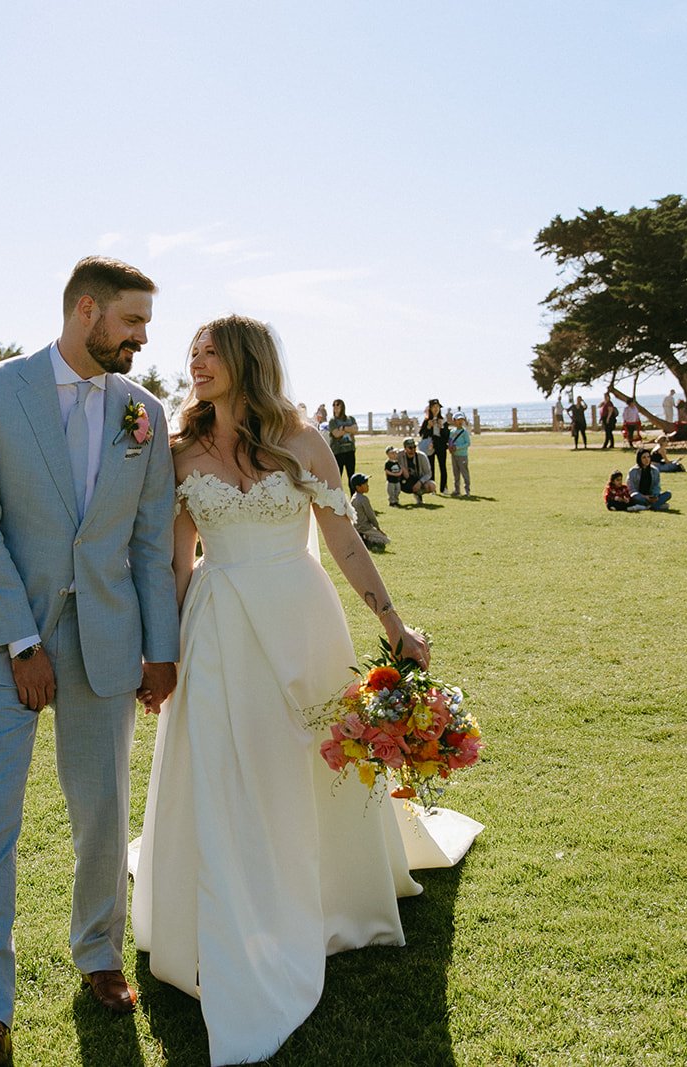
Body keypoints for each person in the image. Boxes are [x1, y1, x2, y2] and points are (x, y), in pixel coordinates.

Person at [133, 314, 435, 1067]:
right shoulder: (177, 452)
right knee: (229, 763)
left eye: (209, 352)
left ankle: (331, 894)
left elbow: (342, 541)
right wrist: (160, 656)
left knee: (312, 758)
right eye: (191, 353)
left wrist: (395, 623)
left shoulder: (302, 440)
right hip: (218, 620)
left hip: (302, 617)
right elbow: (177, 561)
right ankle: (234, 900)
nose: (195, 363)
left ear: (245, 359)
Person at [0, 256, 178, 1067]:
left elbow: (152, 543)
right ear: (86, 311)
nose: (143, 340)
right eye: (132, 323)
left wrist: (161, 649)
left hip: (107, 644)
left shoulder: (143, 412)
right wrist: (20, 642)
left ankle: (99, 954)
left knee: (102, 812)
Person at [349, 472, 389, 549]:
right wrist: (378, 528)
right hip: (365, 528)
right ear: (358, 487)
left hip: (356, 528)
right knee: (386, 540)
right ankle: (366, 540)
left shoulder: (353, 498)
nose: (368, 485)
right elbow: (371, 516)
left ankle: (362, 538)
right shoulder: (364, 499)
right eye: (365, 484)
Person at [327, 398, 358, 482]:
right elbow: (336, 434)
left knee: (351, 476)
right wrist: (349, 430)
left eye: (338, 405)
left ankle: (353, 495)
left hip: (350, 451)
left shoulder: (350, 419)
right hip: (338, 452)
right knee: (337, 477)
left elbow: (355, 429)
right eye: (334, 406)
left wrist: (343, 428)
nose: (335, 408)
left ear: (342, 407)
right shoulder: (332, 421)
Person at [420, 399, 449, 486]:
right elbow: (422, 434)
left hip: (441, 445)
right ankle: (432, 487)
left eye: (437, 407)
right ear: (430, 408)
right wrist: (428, 426)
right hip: (430, 446)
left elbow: (447, 435)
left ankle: (444, 487)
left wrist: (442, 427)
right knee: (430, 467)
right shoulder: (427, 420)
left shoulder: (443, 419)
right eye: (433, 407)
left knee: (442, 466)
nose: (436, 409)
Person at [398, 438, 435, 502]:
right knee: (392, 482)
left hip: (417, 480)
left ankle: (418, 494)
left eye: (414, 447)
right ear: (405, 448)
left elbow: (428, 473)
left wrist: (420, 482)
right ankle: (394, 501)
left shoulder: (422, 456)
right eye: (410, 448)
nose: (413, 449)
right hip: (403, 480)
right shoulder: (399, 455)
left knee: (431, 486)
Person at [448, 412, 472, 496]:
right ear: (454, 421)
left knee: (464, 473)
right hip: (454, 455)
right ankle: (457, 490)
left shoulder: (464, 432)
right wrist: (450, 447)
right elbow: (450, 441)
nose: (460, 421)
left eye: (462, 420)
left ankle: (467, 491)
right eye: (458, 420)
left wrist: (457, 447)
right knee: (456, 473)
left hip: (462, 455)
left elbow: (468, 443)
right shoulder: (452, 431)